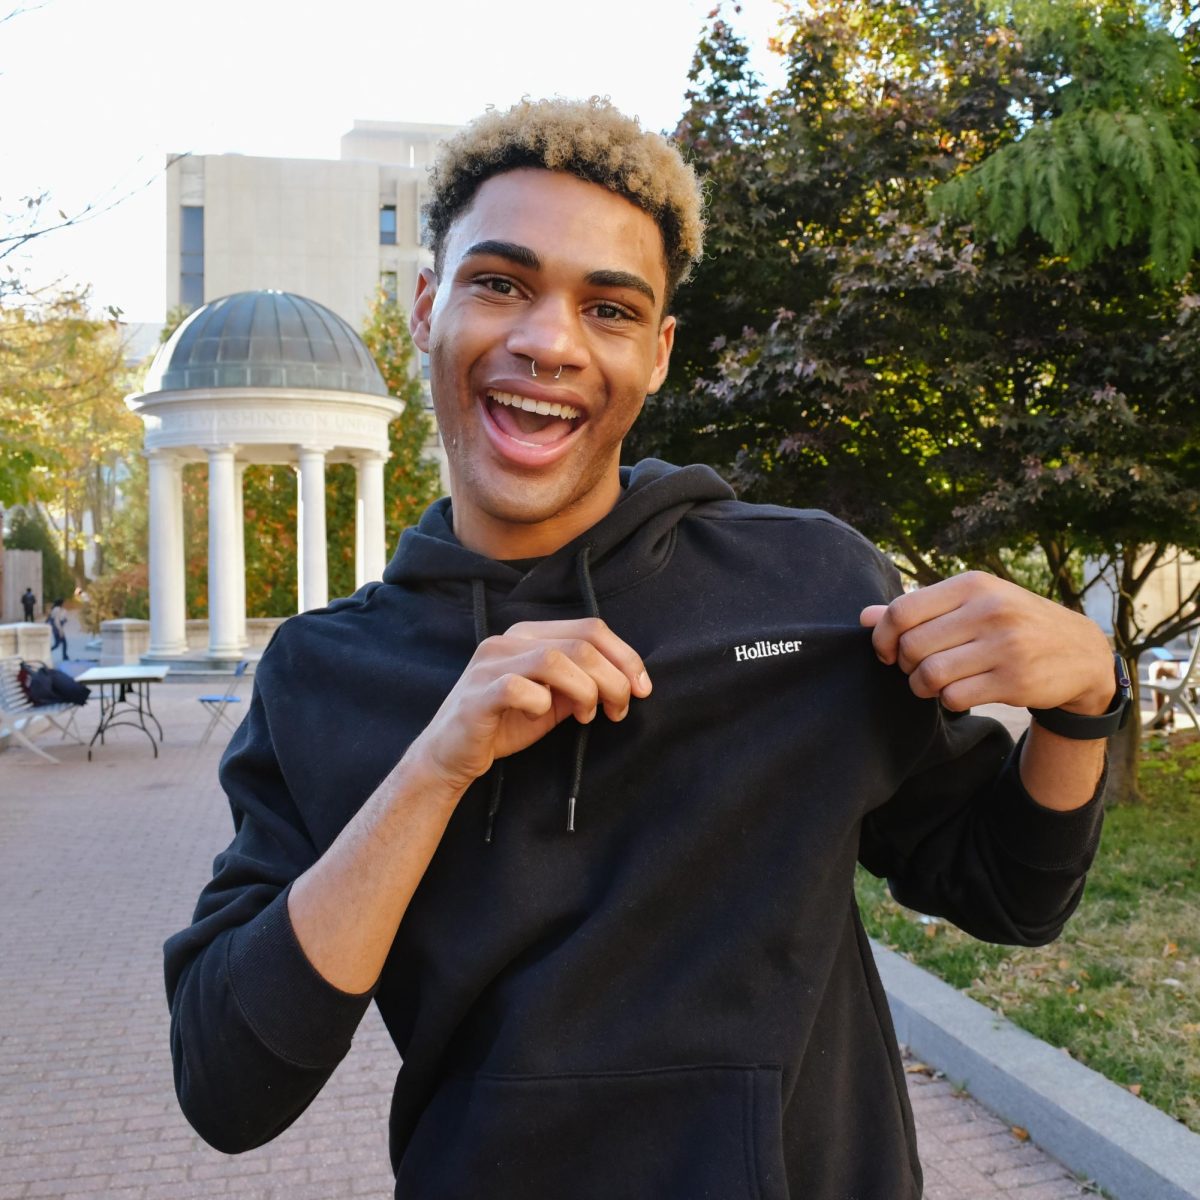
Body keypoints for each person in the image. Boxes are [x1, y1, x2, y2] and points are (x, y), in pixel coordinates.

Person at [165, 99, 1127, 1198]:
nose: (549, 341)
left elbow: (1008, 892)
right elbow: (228, 1086)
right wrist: (436, 763)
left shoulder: (809, 583)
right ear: (429, 305)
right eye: (502, 283)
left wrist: (1082, 700)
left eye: (609, 308)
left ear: (657, 353)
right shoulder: (324, 676)